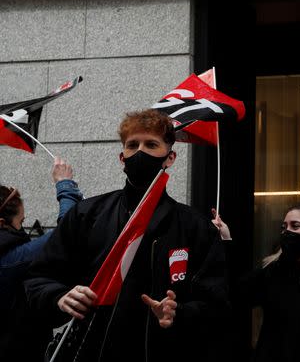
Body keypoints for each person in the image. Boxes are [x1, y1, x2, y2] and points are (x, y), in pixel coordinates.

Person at [25, 109, 229, 362]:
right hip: (93, 351)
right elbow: (38, 279)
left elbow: (217, 301)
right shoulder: (87, 215)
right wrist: (59, 296)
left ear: (170, 157)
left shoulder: (195, 226)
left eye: (151, 144)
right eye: (133, 145)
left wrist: (179, 313)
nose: (140, 151)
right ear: (122, 157)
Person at [215, 203, 300, 362]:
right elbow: (237, 292)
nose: (287, 232)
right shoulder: (274, 271)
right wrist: (226, 241)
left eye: (295, 226)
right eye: (284, 227)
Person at [0, 157, 83, 361]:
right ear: (2, 223)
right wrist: (65, 184)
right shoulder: (9, 259)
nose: (23, 230)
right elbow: (66, 234)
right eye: (21, 222)